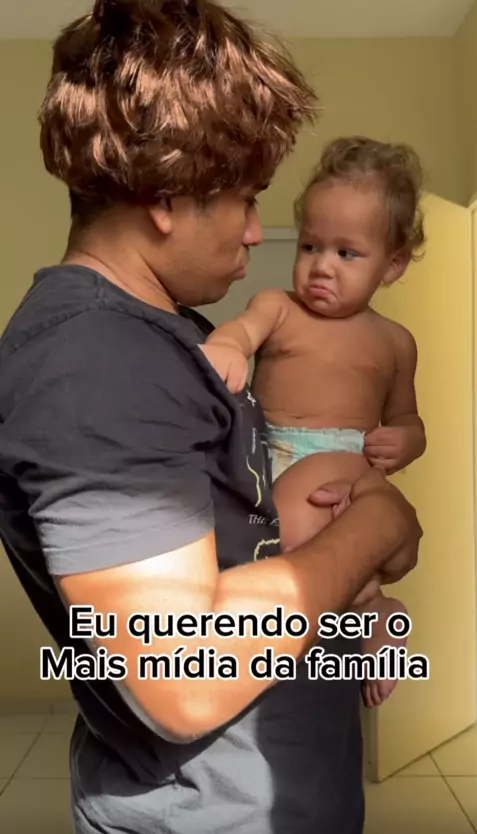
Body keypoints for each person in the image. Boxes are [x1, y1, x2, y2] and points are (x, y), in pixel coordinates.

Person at [0, 2, 421, 833]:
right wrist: (376, 526)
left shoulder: (165, 335)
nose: (258, 232)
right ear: (168, 196)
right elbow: (181, 674)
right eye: (246, 199)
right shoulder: (93, 361)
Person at [201, 136, 427, 709]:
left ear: (393, 264)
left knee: (316, 544)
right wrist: (228, 347)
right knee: (285, 554)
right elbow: (241, 332)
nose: (322, 266)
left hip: (343, 461)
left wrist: (404, 440)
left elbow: (408, 419)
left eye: (347, 254)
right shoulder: (279, 307)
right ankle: (370, 608)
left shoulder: (395, 342)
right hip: (271, 451)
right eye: (310, 246)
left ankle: (374, 611)